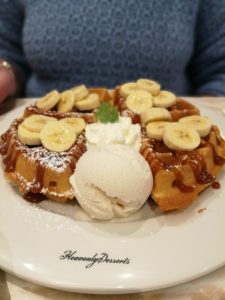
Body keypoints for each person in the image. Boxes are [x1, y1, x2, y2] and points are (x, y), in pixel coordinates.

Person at [0, 0, 225, 105]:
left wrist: (209, 116)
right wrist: (6, 73)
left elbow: (219, 67)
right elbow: (8, 49)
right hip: (45, 132)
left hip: (165, 135)